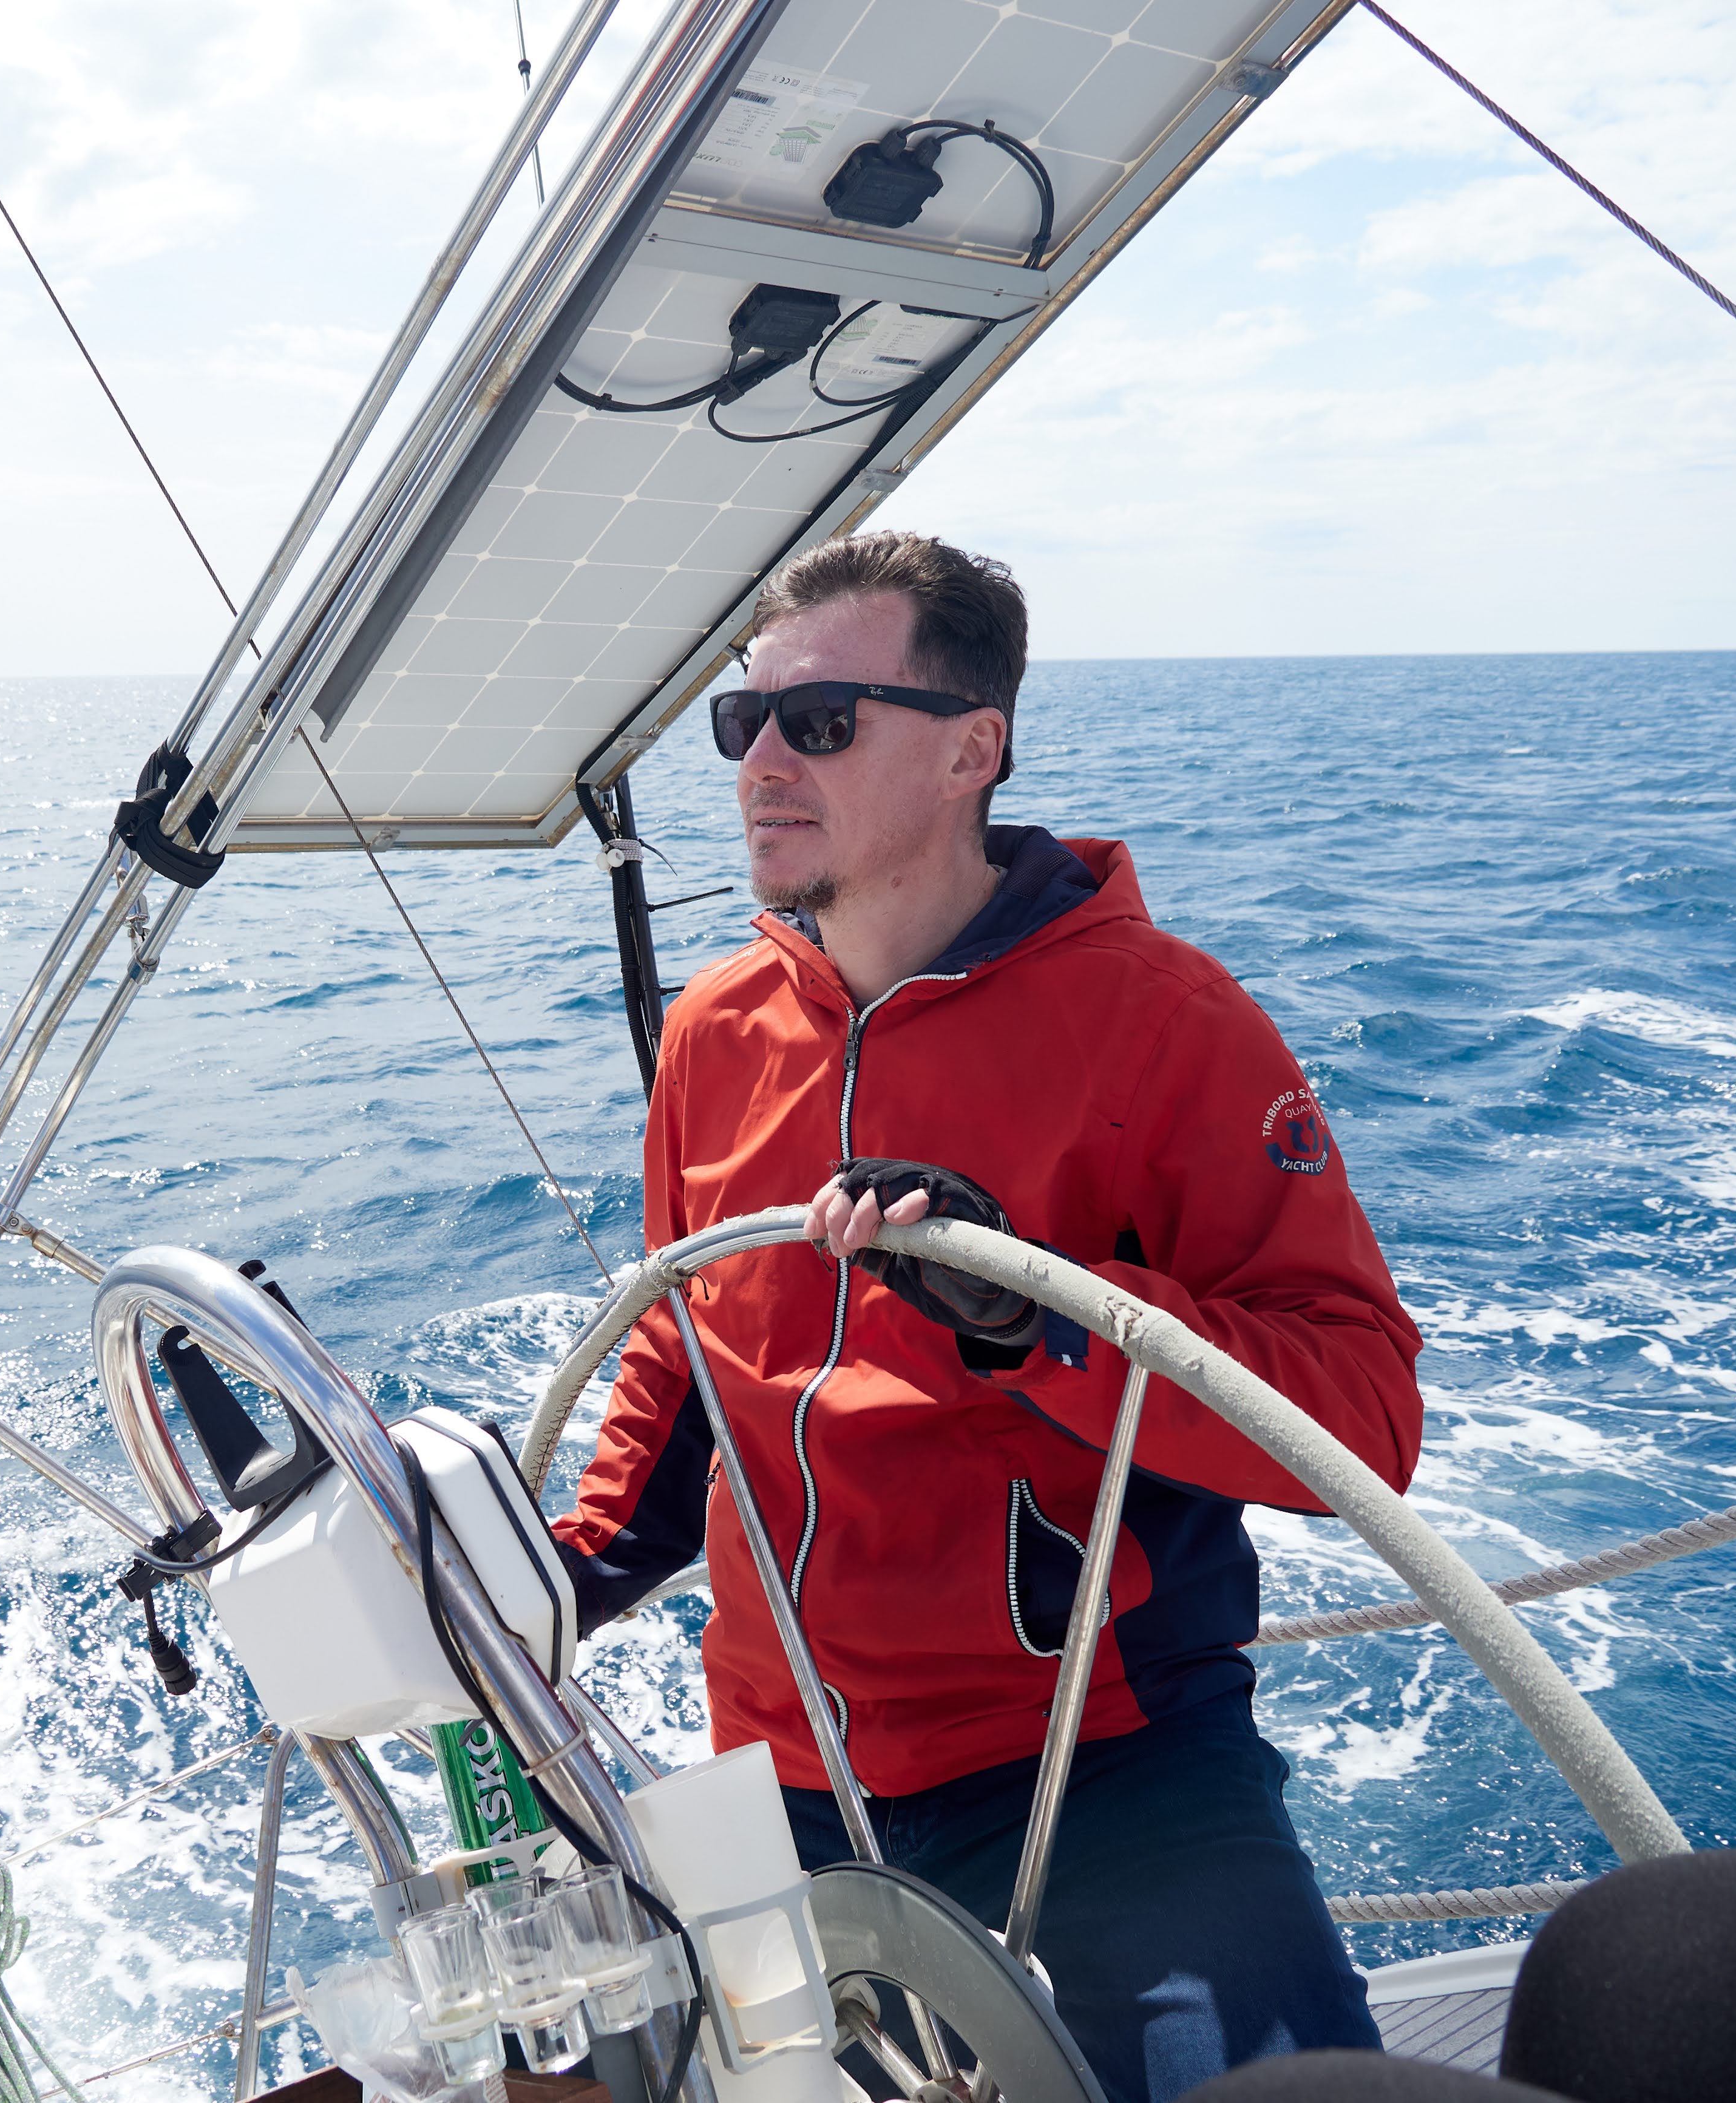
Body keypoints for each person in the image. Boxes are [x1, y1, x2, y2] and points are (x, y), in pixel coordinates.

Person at [547, 531, 1423, 2102]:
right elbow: (686, 1361)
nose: (761, 765)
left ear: (971, 751)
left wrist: (1045, 1322)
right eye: (742, 724)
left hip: (1103, 1759)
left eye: (820, 725)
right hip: (780, 1768)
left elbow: (1358, 1423)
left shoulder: (1166, 1027)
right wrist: (564, 1567)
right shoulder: (712, 1035)